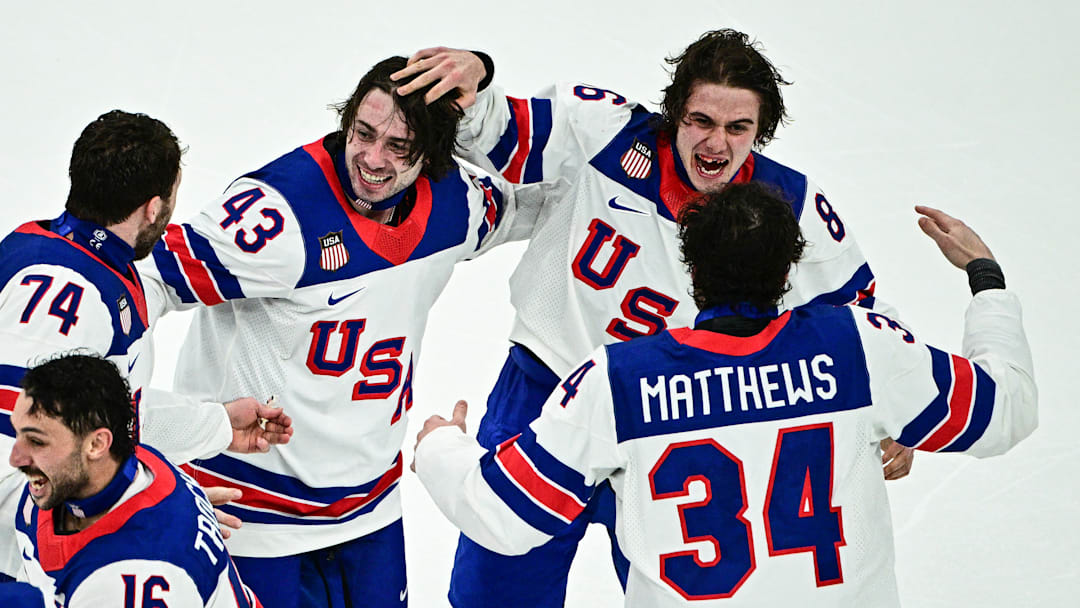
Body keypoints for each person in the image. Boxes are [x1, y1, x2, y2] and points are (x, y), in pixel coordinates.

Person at [393, 30, 912, 606]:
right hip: (543, 386)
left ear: (759, 132)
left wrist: (897, 413)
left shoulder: (789, 203)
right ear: (674, 113)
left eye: (737, 128)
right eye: (700, 121)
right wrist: (478, 77)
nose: (716, 143)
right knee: (496, 588)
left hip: (671, 414)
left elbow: (864, 315)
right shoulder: (605, 132)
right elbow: (499, 131)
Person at [414, 182, 1037, 607]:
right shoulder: (858, 348)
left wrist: (440, 446)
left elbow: (502, 515)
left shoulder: (619, 379)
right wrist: (985, 279)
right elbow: (1006, 409)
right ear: (790, 270)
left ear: (690, 271)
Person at [136, 56, 536, 608]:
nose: (372, 159)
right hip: (249, 509)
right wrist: (139, 430)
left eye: (399, 147)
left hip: (371, 508)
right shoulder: (276, 216)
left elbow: (549, 201)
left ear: (435, 154)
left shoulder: (459, 204)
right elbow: (138, 282)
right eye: (363, 134)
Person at [0, 110, 293, 583]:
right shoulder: (71, 294)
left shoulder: (48, 248)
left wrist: (216, 424)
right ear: (154, 207)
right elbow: (20, 442)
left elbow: (104, 418)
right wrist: (135, 516)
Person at [4, 352, 261, 607]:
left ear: (96, 444)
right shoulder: (103, 467)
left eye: (37, 442)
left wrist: (173, 519)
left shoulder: (136, 575)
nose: (15, 459)